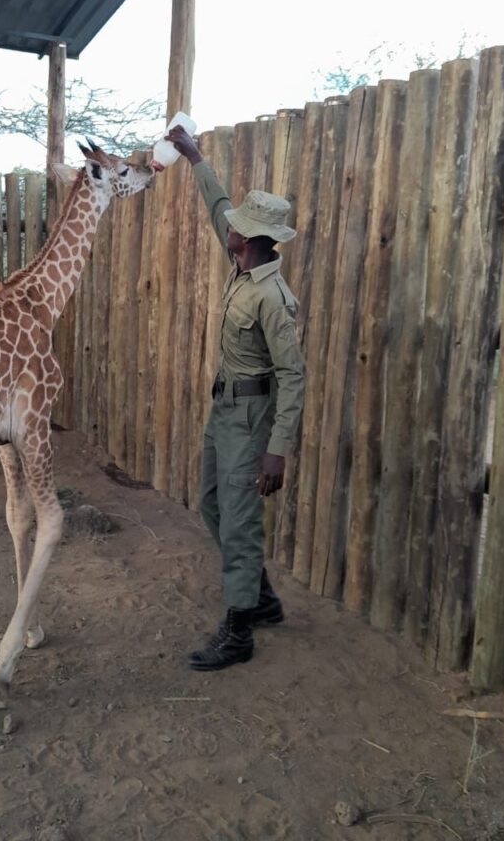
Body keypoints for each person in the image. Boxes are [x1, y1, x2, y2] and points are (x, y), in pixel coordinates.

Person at [155, 124, 305, 672]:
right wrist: (195, 157)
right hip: (225, 410)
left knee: (239, 519)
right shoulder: (242, 261)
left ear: (256, 240)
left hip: (253, 418)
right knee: (215, 504)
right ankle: (262, 598)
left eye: (237, 228)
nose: (229, 230)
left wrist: (277, 449)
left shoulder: (273, 298)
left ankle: (240, 630)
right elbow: (216, 202)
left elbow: (293, 376)